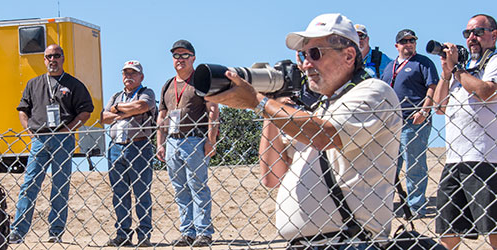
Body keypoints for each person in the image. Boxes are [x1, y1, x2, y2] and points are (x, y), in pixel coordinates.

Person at [205, 13, 401, 249]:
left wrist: (258, 102)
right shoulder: (317, 110)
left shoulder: (374, 92)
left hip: (350, 241)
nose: (306, 64)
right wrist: (272, 103)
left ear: (349, 55)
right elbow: (271, 176)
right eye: (303, 55)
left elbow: (325, 134)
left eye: (315, 54)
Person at [432, 14, 497, 250]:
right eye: (467, 34)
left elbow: (485, 92)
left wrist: (457, 69)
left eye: (478, 32)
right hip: (455, 160)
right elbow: (439, 106)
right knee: (448, 232)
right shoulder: (460, 72)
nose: (471, 38)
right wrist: (446, 73)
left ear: (494, 34)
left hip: (489, 160)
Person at [10, 44, 94, 243]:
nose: (52, 60)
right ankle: (18, 231)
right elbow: (23, 109)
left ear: (63, 58)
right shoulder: (34, 83)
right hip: (39, 139)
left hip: (63, 139)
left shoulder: (74, 84)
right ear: (44, 60)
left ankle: (55, 232)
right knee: (29, 184)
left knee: (60, 185)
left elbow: (86, 111)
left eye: (56, 56)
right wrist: (28, 129)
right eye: (48, 56)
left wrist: (70, 128)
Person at [156, 39, 219, 247]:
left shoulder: (200, 81)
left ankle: (203, 232)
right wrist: (160, 143)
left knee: (198, 186)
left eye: (184, 55)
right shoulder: (167, 84)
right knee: (180, 189)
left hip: (195, 139)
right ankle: (187, 232)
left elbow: (213, 110)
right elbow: (162, 115)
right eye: (176, 55)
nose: (180, 59)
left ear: (193, 58)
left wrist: (211, 140)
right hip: (172, 142)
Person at [380, 29, 439, 219]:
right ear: (397, 45)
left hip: (415, 122)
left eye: (412, 40)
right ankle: (387, 206)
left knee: (415, 166)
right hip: (392, 124)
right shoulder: (389, 66)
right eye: (404, 41)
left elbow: (432, 86)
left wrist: (424, 110)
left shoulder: (423, 63)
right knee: (389, 167)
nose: (408, 43)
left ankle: (416, 208)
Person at [101, 60, 156, 247]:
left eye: (133, 73)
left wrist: (117, 111)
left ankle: (144, 235)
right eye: (126, 73)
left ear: (141, 76)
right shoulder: (116, 95)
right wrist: (123, 112)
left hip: (139, 146)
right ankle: (123, 233)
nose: (128, 77)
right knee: (119, 192)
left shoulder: (147, 93)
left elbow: (141, 107)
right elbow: (103, 117)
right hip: (116, 147)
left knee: (142, 192)